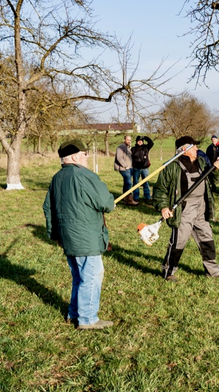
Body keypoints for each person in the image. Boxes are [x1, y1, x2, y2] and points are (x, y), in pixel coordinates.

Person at [44, 139, 115, 330]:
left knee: (79, 277)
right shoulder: (83, 175)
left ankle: (73, 313)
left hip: (67, 236)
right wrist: (111, 201)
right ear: (75, 156)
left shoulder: (57, 177)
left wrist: (54, 234)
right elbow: (105, 203)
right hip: (85, 236)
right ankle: (87, 318)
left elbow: (47, 208)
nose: (87, 157)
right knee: (92, 276)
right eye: (85, 154)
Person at [152, 136, 219, 281]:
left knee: (207, 238)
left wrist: (217, 169)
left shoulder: (200, 162)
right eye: (194, 147)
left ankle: (213, 271)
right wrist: (163, 207)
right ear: (184, 149)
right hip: (183, 208)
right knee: (179, 242)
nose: (197, 149)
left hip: (201, 206)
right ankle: (168, 272)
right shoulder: (171, 166)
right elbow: (160, 190)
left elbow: (214, 179)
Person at [114, 134, 137, 205]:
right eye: (128, 140)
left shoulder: (128, 148)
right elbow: (119, 158)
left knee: (127, 183)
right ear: (124, 140)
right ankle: (129, 199)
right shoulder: (120, 147)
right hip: (124, 168)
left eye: (130, 140)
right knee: (129, 182)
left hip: (130, 168)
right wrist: (125, 165)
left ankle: (125, 198)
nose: (129, 141)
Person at [130, 135, 154, 202]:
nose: (140, 142)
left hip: (145, 168)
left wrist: (145, 137)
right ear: (136, 142)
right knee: (136, 183)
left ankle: (147, 196)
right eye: (139, 141)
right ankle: (136, 196)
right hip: (136, 168)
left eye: (141, 141)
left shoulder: (146, 148)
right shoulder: (133, 149)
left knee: (145, 182)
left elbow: (151, 143)